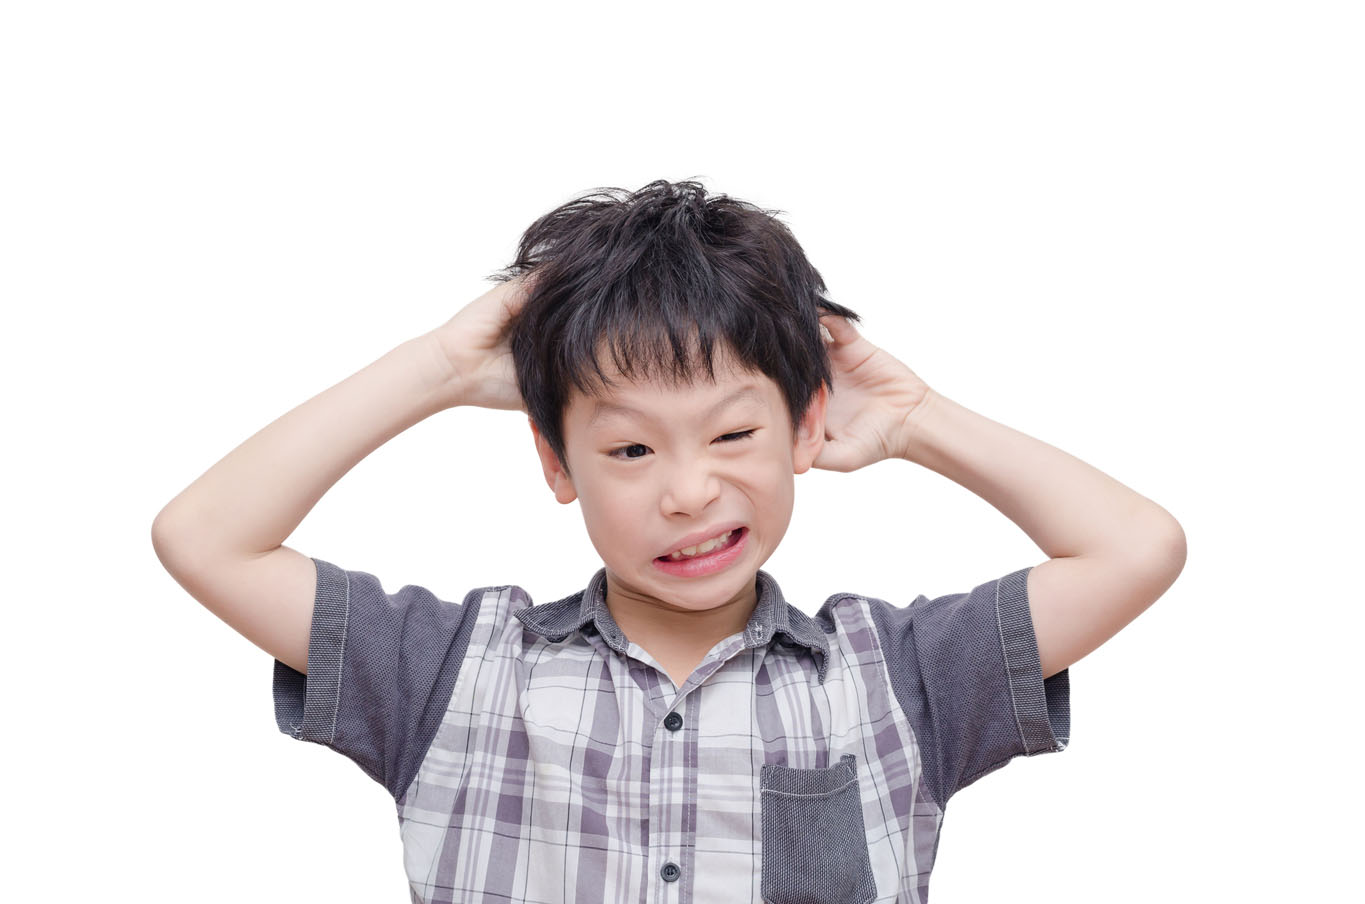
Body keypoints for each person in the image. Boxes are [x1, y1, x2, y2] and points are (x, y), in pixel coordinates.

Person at [151, 179, 1186, 903]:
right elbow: (205, 538)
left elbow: (1136, 547)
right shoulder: (452, 672)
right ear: (558, 464)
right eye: (632, 448)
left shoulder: (900, 678)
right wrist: (438, 368)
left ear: (806, 427)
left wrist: (916, 418)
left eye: (735, 433)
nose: (690, 492)